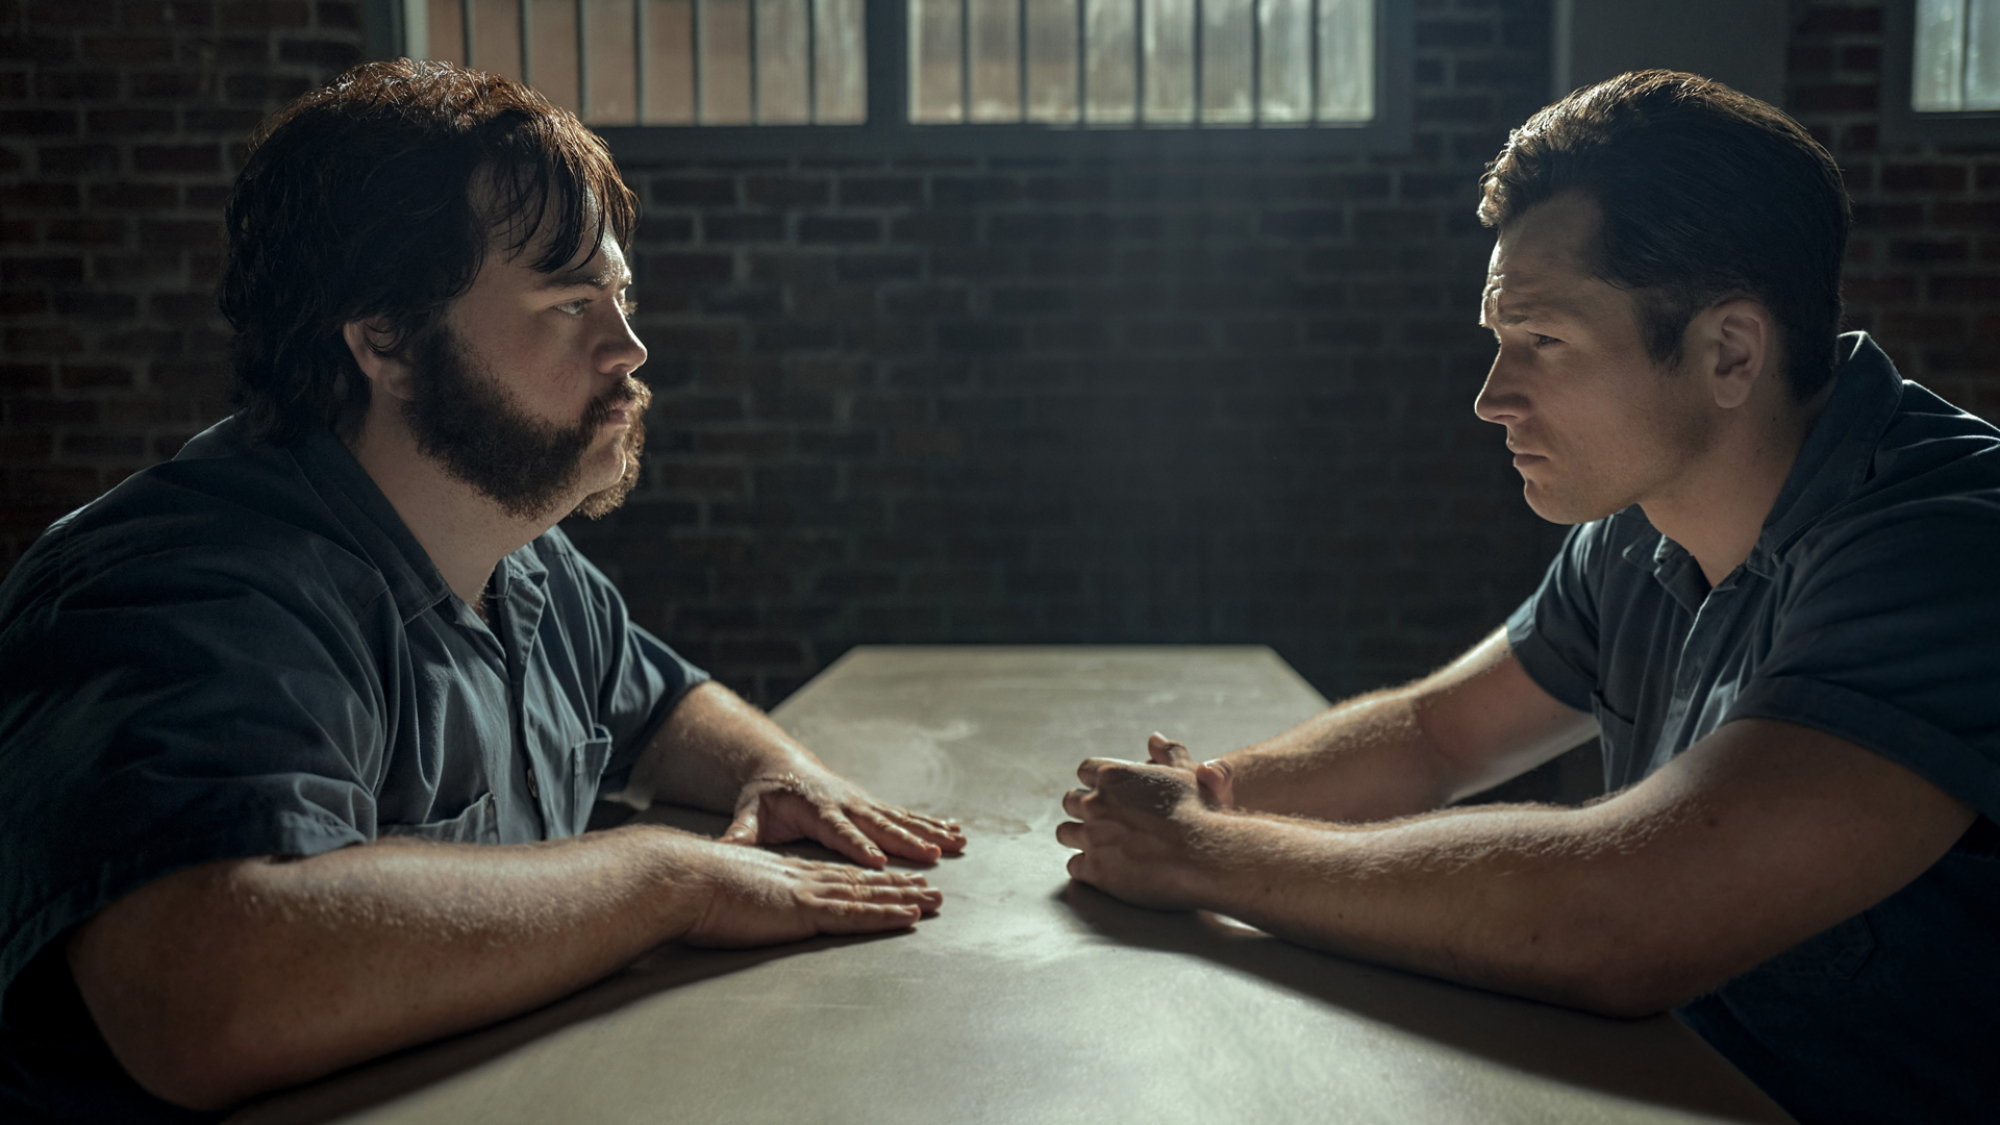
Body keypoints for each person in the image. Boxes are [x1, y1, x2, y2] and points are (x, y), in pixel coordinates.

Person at [0, 59, 964, 1122]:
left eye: (620, 298)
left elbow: (666, 705)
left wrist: (780, 774)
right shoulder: (181, 586)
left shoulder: (520, 556)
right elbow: (208, 994)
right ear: (386, 340)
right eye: (564, 304)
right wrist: (667, 877)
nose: (628, 349)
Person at [1058, 70, 1998, 1125]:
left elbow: (1621, 920)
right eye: (1497, 339)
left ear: (1727, 351)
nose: (1490, 397)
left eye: (1541, 342)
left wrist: (1200, 853)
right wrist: (1204, 796)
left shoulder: (1951, 550)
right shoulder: (1638, 523)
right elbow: (1434, 734)